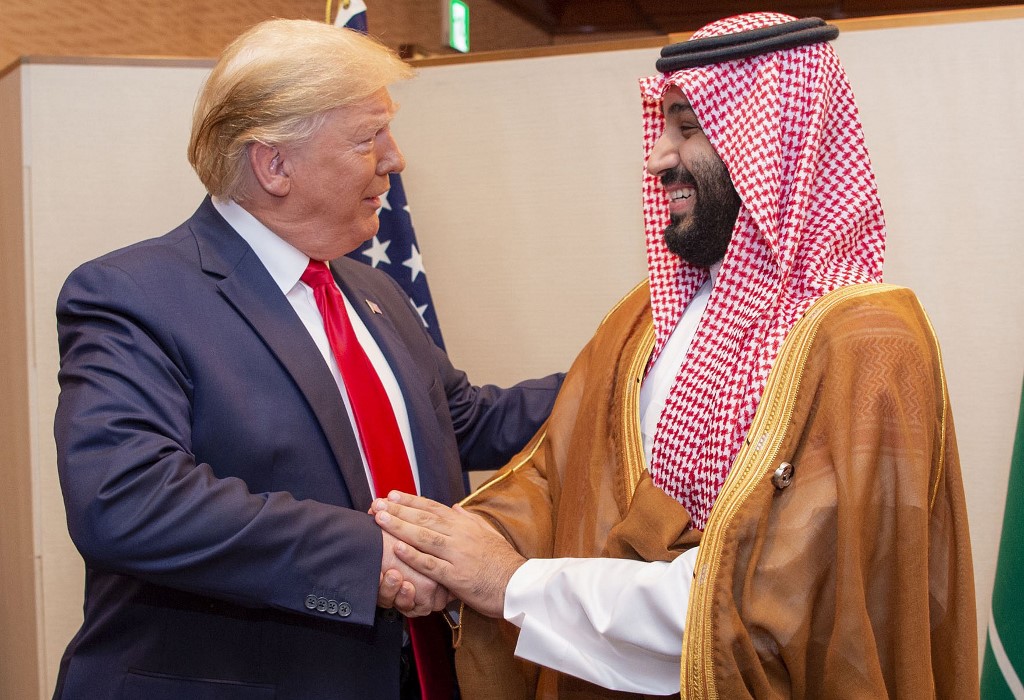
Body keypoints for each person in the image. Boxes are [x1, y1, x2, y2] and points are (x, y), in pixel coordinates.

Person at [372, 12, 978, 699]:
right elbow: (554, 480)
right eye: (663, 128)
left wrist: (514, 583)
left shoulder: (868, 346)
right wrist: (443, 554)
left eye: (687, 129)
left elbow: (782, 606)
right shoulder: (646, 316)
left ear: (769, 144)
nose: (657, 157)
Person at [52, 18, 561, 700]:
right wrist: (365, 559)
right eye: (367, 137)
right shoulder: (133, 295)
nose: (395, 158)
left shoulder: (370, 289)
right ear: (275, 164)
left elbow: (464, 420)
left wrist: (634, 371)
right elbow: (126, 500)